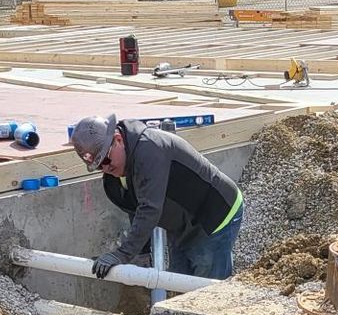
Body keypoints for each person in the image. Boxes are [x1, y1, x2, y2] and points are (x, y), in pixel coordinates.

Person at [70, 114, 244, 283]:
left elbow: (149, 209)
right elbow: (135, 208)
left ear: (118, 139)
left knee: (206, 291)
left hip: (214, 215)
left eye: (106, 159)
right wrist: (142, 253)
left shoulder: (149, 150)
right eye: (98, 166)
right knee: (179, 285)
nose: (105, 168)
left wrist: (122, 253)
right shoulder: (118, 170)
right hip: (183, 222)